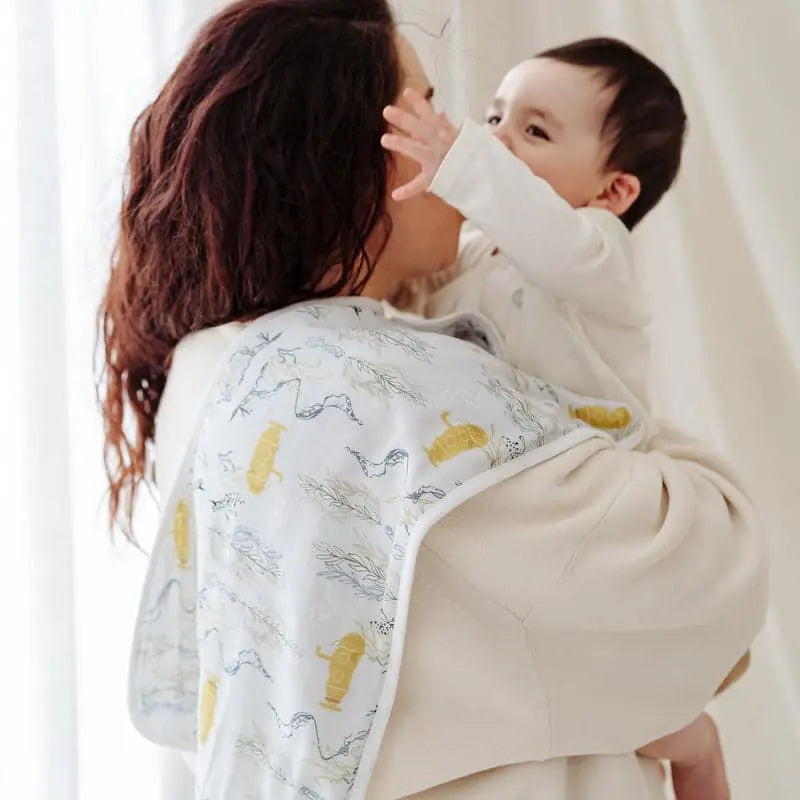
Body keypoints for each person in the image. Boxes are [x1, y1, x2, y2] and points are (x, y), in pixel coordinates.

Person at [96, 2, 766, 799]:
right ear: (343, 157)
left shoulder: (228, 361)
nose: (465, 145)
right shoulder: (370, 399)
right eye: (428, 115)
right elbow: (716, 580)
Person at [382, 38, 685, 442]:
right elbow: (409, 294)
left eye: (534, 131)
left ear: (611, 193)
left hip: (592, 452)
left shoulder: (599, 255)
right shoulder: (477, 247)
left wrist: (469, 167)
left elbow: (551, 237)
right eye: (493, 120)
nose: (495, 140)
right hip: (494, 444)